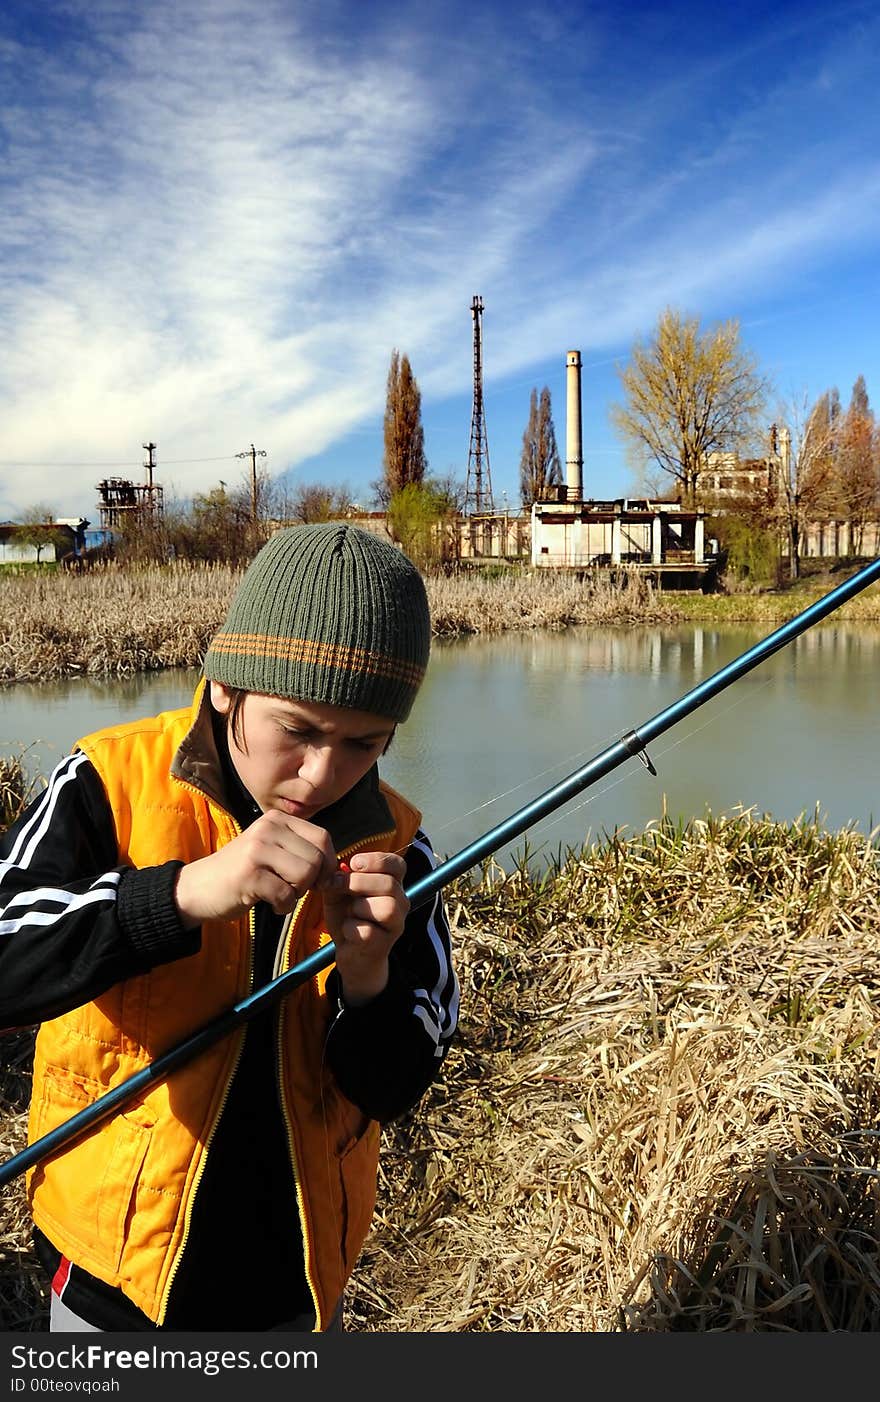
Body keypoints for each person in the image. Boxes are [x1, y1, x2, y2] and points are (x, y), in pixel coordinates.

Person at [0, 522, 459, 1332]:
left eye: (365, 743)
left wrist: (369, 979)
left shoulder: (401, 848)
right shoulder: (108, 781)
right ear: (224, 686)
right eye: (299, 730)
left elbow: (395, 1086)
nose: (322, 774)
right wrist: (178, 894)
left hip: (297, 1283)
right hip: (109, 1277)